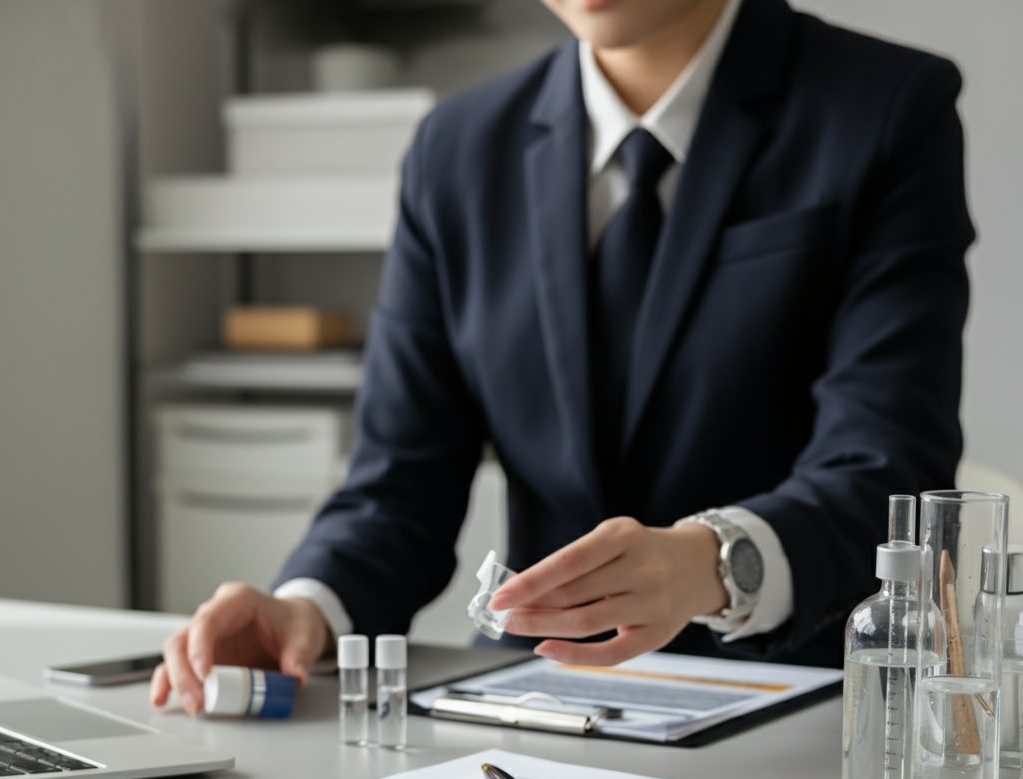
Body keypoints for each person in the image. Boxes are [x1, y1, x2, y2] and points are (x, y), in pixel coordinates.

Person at [152, 0, 972, 715]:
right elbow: (400, 482)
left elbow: (885, 462)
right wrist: (310, 608)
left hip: (795, 710)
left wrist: (713, 562)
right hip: (537, 705)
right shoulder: (459, 148)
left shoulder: (886, 108)